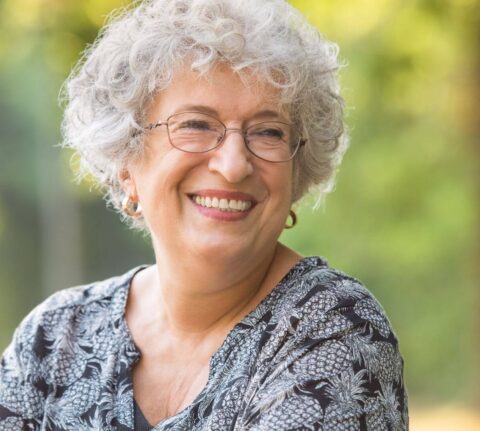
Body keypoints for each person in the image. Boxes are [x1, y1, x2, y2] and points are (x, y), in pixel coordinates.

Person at [0, 0, 408, 429]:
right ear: (127, 162)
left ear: (296, 172)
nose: (233, 165)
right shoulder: (55, 338)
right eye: (196, 125)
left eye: (268, 132)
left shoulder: (335, 330)